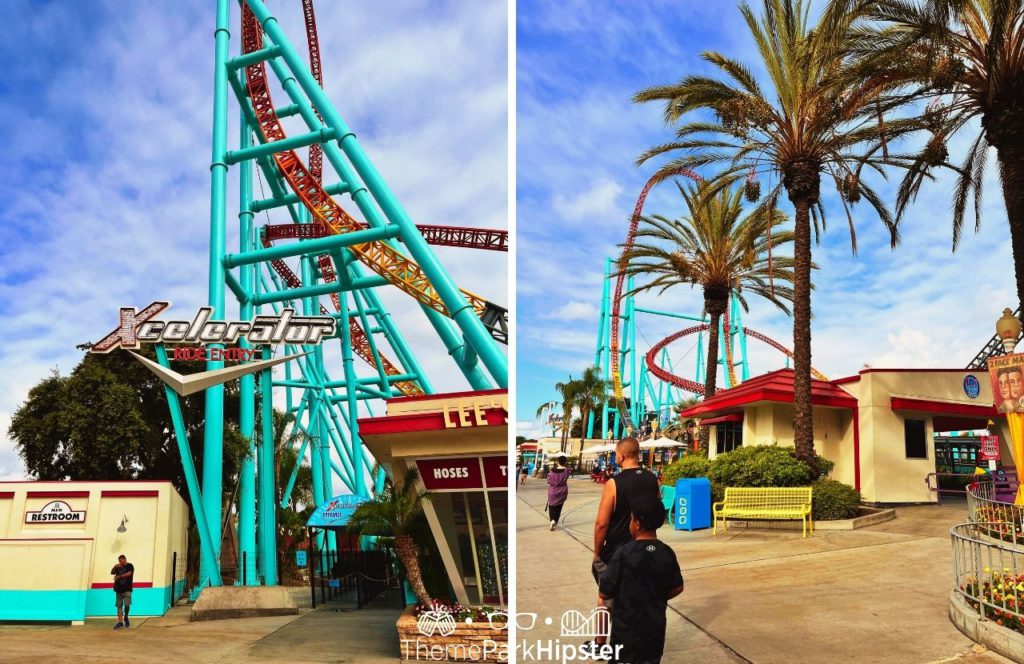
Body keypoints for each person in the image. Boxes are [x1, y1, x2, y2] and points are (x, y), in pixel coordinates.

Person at [584, 437, 660, 655]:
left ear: (621, 455)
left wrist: (597, 552)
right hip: (645, 548)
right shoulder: (652, 479)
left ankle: (600, 644)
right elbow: (654, 513)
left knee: (605, 598)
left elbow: (601, 523)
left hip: (616, 550)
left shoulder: (613, 484)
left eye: (616, 454)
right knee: (639, 596)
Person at [598, 493, 684, 664]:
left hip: (625, 634)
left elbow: (605, 592)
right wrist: (655, 596)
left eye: (631, 519)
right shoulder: (666, 552)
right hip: (654, 634)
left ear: (636, 524)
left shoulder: (623, 553)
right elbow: (677, 587)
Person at [547, 455, 571, 531]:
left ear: (558, 462)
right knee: (559, 507)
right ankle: (555, 522)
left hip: (553, 490)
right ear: (565, 462)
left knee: (551, 506)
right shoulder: (566, 471)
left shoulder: (552, 471)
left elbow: (548, 481)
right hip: (563, 490)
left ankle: (552, 520)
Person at [111, 554, 134, 629]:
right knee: (119, 606)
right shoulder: (118, 567)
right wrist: (115, 566)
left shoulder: (130, 566)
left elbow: (129, 573)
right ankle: (120, 622)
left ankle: (126, 617)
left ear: (125, 559)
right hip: (118, 589)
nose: (120, 562)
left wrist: (119, 576)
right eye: (119, 561)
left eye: (121, 561)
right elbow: (112, 572)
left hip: (127, 589)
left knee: (127, 605)